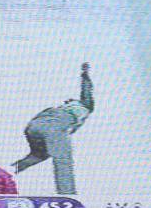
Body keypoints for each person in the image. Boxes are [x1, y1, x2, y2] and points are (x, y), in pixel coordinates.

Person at [13, 62, 94, 195]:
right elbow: (86, 92)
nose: (67, 101)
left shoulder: (84, 105)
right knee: (63, 159)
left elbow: (86, 92)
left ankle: (5, 173)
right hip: (52, 127)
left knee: (37, 156)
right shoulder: (78, 111)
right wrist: (84, 74)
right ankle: (68, 195)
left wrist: (85, 75)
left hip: (33, 127)